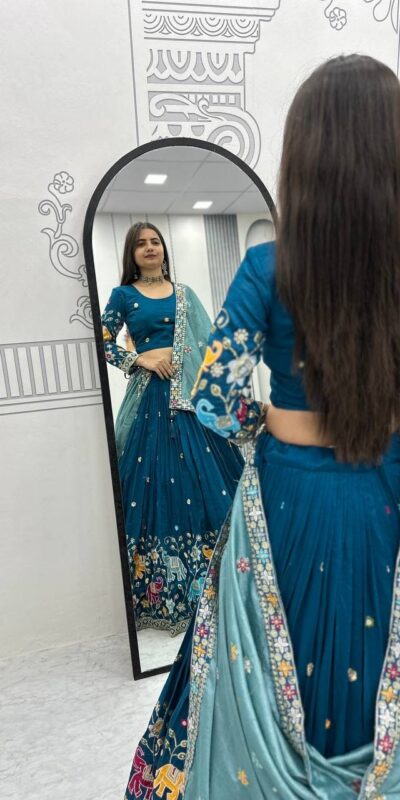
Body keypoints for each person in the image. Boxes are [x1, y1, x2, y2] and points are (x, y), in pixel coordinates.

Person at [125, 55, 400, 799]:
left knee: (277, 674)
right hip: (388, 489)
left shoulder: (269, 267)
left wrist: (271, 419)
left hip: (291, 499)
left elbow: (213, 399)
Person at [101, 222, 243, 635]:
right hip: (150, 399)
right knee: (158, 484)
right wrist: (138, 359)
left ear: (164, 249)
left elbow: (211, 347)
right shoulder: (123, 296)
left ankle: (224, 583)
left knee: (205, 482)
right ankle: (164, 593)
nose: (150, 248)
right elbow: (102, 340)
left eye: (155, 242)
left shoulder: (185, 294)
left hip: (190, 398)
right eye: (141, 244)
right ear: (131, 254)